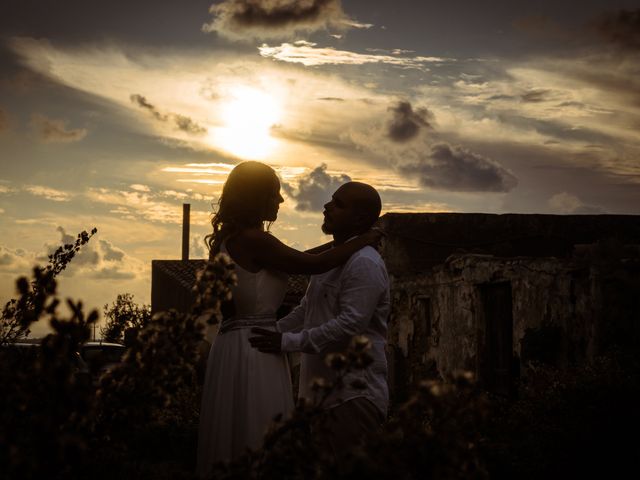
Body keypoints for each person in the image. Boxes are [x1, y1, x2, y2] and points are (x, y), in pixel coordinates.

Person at [196, 162, 381, 478]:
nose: (281, 201)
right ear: (256, 197)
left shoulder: (232, 240)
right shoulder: (256, 240)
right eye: (275, 193)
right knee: (258, 431)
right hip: (254, 351)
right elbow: (317, 263)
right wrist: (366, 238)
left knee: (239, 431)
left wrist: (281, 333)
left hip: (238, 344)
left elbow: (302, 308)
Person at [249, 181, 390, 459]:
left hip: (351, 396)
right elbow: (307, 310)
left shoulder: (364, 263)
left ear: (360, 218)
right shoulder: (334, 259)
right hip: (321, 398)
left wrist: (286, 342)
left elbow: (351, 325)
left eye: (338, 204)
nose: (326, 207)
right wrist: (270, 333)